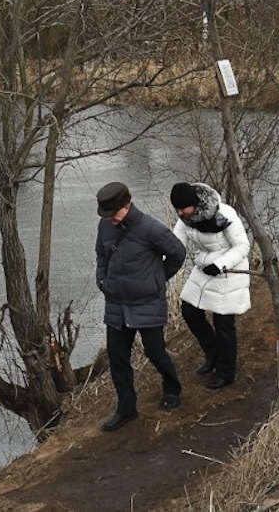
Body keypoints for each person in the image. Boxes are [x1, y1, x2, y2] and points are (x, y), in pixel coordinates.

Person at [94, 181, 186, 432]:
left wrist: (157, 279)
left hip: (147, 303)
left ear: (127, 205)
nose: (110, 219)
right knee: (118, 359)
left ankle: (172, 389)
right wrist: (102, 280)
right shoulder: (105, 225)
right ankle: (126, 408)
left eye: (114, 213)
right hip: (116, 304)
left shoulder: (151, 228)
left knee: (155, 352)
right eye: (106, 215)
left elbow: (178, 252)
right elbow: (101, 255)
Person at [170, 181, 251, 390]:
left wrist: (220, 264)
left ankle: (226, 372)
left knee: (224, 323)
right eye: (177, 209)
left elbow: (243, 246)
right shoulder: (185, 218)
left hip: (229, 271)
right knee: (189, 310)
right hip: (205, 268)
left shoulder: (224, 214)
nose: (180, 213)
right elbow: (175, 244)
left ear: (195, 203)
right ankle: (213, 354)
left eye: (183, 208)